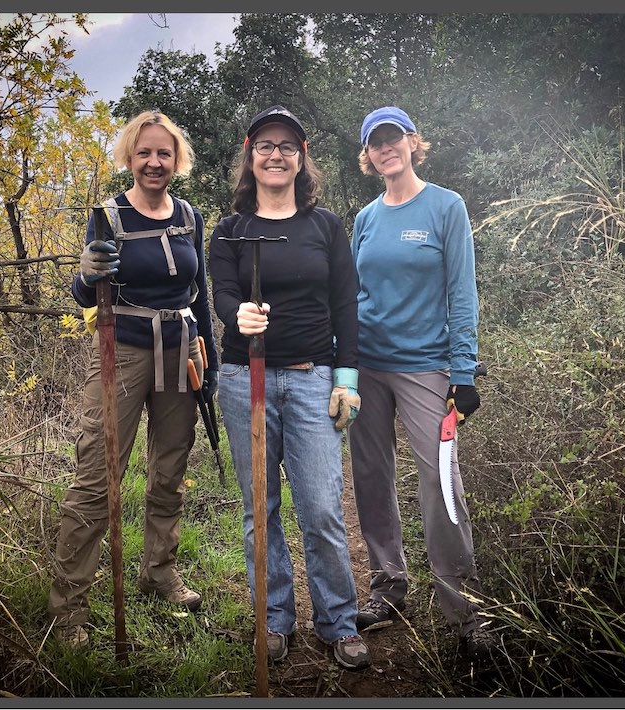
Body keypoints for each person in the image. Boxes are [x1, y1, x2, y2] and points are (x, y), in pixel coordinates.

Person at [211, 105, 369, 670]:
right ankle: (273, 619)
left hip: (311, 379)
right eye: (264, 145)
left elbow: (346, 305)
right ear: (249, 156)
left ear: (301, 157)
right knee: (261, 508)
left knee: (323, 507)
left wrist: (345, 379)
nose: (275, 155)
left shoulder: (324, 226)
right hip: (242, 380)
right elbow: (223, 293)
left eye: (286, 146)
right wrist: (239, 316)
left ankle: (337, 621)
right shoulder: (230, 230)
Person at [48, 110, 212, 650]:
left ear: (177, 159)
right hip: (120, 352)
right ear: (130, 156)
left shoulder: (188, 215)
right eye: (144, 152)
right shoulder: (109, 216)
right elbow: (84, 291)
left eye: (164, 153)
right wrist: (86, 273)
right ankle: (69, 606)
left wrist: (206, 352)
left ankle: (158, 573)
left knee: (170, 469)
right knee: (98, 475)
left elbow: (200, 291)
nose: (154, 162)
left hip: (180, 349)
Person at [343, 105, 493, 654]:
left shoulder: (445, 207)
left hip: (426, 366)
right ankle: (389, 583)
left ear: (411, 143)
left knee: (442, 484)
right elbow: (351, 296)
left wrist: (463, 368)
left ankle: (466, 610)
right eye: (375, 143)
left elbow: (462, 291)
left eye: (393, 139)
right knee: (371, 475)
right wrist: (342, 363)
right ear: (368, 155)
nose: (386, 149)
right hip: (367, 367)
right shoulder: (365, 219)